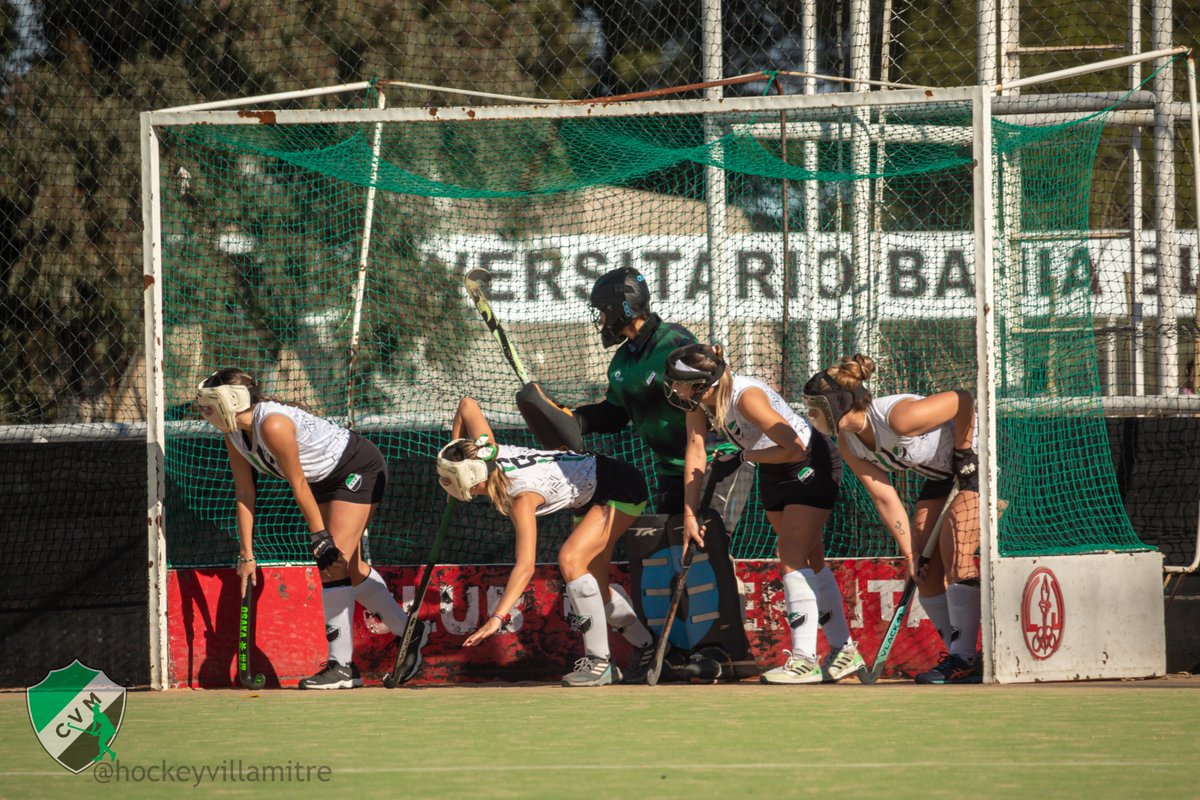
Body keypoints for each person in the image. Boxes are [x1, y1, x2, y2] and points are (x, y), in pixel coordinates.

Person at [516, 266, 754, 677]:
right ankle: (683, 649)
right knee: (668, 558)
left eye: (603, 311)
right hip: (668, 469)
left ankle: (726, 652)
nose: (601, 320)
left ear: (623, 307)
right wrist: (571, 418)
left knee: (706, 550)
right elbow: (613, 414)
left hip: (716, 459)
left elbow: (705, 385)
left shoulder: (674, 342)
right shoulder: (621, 363)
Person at [196, 367, 427, 689]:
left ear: (230, 401)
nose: (202, 411)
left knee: (331, 564)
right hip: (322, 480)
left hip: (355, 467)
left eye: (208, 403)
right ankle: (411, 632)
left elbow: (297, 481)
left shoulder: (273, 424)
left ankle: (342, 668)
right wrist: (246, 554)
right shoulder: (233, 435)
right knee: (352, 569)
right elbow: (245, 494)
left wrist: (320, 537)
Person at [665, 343, 862, 684]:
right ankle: (843, 650)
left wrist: (743, 458)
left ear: (703, 385)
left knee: (790, 555)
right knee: (811, 559)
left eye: (679, 382)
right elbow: (695, 449)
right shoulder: (699, 402)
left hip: (809, 462)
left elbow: (794, 446)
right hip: (772, 469)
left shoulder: (745, 398)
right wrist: (689, 514)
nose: (674, 388)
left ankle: (804, 660)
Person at [441, 397, 656, 687]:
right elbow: (466, 405)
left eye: (450, 478)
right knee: (596, 585)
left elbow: (525, 566)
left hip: (620, 486)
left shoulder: (519, 496)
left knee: (571, 560)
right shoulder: (484, 448)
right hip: (591, 491)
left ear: (472, 479)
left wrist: (497, 617)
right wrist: (457, 447)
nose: (446, 483)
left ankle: (599, 662)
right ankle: (646, 647)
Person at [801, 354, 982, 684]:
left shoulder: (898, 418)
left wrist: (966, 454)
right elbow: (884, 496)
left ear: (836, 406)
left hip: (980, 458)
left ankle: (965, 658)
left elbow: (963, 400)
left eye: (815, 408)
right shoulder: (848, 442)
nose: (811, 416)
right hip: (942, 473)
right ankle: (958, 652)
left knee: (956, 542)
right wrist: (910, 554)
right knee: (924, 565)